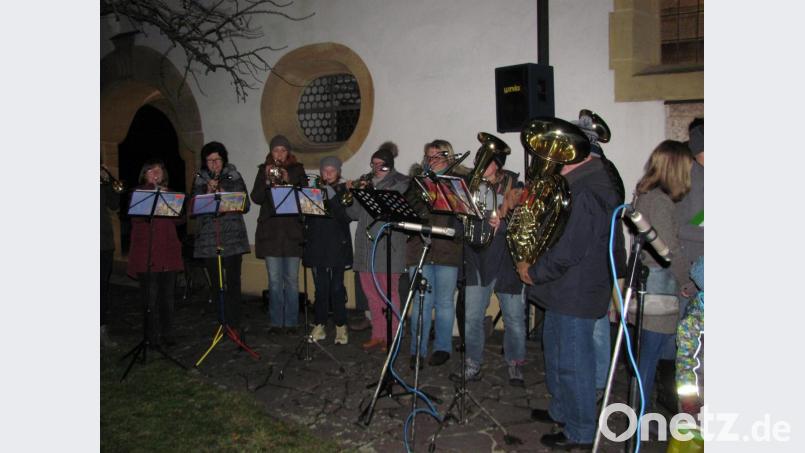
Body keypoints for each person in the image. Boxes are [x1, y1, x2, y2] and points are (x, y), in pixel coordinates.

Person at [517, 147, 620, 450]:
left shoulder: (587, 188)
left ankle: (580, 431)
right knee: (558, 354)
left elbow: (569, 248)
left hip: (575, 291)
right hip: (564, 289)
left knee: (574, 364)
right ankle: (561, 411)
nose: (555, 158)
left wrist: (534, 272)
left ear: (582, 154)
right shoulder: (582, 182)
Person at [631, 140, 694, 412]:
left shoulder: (648, 195)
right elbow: (668, 251)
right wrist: (689, 281)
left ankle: (646, 415)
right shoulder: (658, 201)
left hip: (652, 287)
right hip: (660, 292)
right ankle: (640, 421)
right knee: (647, 363)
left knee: (650, 360)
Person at [455, 149, 526, 385]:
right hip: (476, 258)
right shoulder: (468, 186)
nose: (479, 165)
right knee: (472, 317)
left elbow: (526, 222)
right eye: (478, 160)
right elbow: (459, 225)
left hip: (506, 261)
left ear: (497, 165)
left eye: (485, 161)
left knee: (514, 318)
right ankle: (472, 364)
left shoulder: (514, 184)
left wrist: (504, 222)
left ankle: (515, 363)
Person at [405, 140, 467, 369]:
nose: (432, 159)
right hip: (419, 248)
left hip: (448, 249)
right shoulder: (416, 182)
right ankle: (417, 351)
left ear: (449, 157)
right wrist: (424, 188)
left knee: (443, 303)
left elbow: (463, 215)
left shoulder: (459, 183)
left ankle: (443, 348)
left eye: (438, 155)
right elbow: (409, 208)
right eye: (428, 156)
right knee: (421, 302)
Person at [345, 142, 410, 352]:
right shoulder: (366, 181)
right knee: (371, 295)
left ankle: (392, 336)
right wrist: (354, 195)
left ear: (389, 165)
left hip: (387, 248)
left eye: (380, 164)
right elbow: (354, 214)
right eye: (373, 164)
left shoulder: (401, 182)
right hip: (365, 247)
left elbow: (391, 209)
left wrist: (369, 190)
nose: (376, 168)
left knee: (389, 295)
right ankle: (378, 335)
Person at [192, 141, 251, 334]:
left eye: (217, 159)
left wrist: (225, 193)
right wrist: (208, 192)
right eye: (209, 160)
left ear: (223, 159)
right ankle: (222, 321)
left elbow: (245, 204)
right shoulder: (200, 179)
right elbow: (194, 208)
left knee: (233, 282)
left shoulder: (234, 175)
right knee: (216, 284)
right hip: (210, 239)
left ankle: (235, 322)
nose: (214, 164)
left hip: (233, 237)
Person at [250, 135, 306, 333]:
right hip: (271, 234)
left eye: (283, 150)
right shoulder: (262, 169)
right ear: (271, 152)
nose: (279, 154)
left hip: (292, 233)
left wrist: (287, 179)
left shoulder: (298, 169)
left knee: (291, 280)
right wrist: (266, 179)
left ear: (288, 152)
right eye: (276, 150)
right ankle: (275, 321)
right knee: (274, 280)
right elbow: (255, 198)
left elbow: (304, 196)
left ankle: (291, 322)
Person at [126, 159, 184, 346]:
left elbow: (180, 221)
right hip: (147, 254)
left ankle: (168, 334)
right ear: (144, 174)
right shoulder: (139, 193)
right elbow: (135, 219)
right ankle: (151, 336)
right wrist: (152, 192)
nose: (155, 174)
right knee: (150, 299)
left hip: (168, 252)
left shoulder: (170, 194)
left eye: (158, 171)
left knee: (167, 297)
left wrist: (176, 206)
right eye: (150, 171)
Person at [304, 156, 353, 345]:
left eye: (332, 170)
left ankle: (341, 326)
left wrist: (333, 196)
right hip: (317, 246)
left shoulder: (344, 191)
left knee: (337, 288)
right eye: (325, 170)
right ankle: (320, 324)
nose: (328, 173)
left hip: (337, 247)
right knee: (321, 289)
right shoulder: (313, 191)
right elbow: (308, 219)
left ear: (338, 172)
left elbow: (346, 217)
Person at [101, 164, 121, 348]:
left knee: (101, 289)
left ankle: (101, 329)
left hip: (103, 242)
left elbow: (114, 205)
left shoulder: (102, 182)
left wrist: (107, 182)